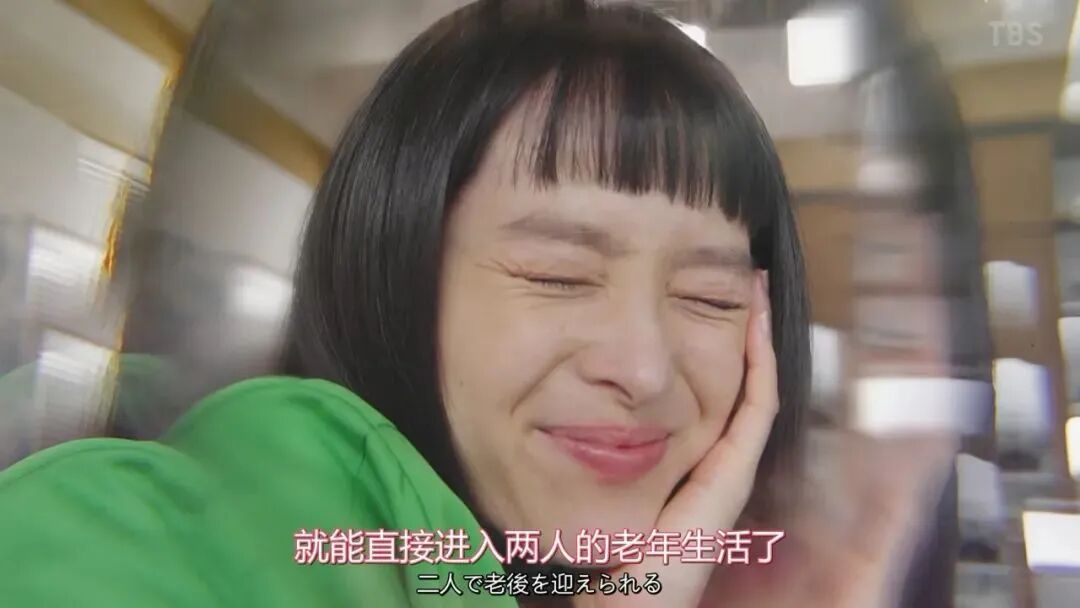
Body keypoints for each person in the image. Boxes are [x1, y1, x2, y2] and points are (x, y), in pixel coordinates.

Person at [0, 1, 954, 607]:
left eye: (708, 295)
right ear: (392, 270)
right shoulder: (161, 526)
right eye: (556, 275)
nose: (643, 367)